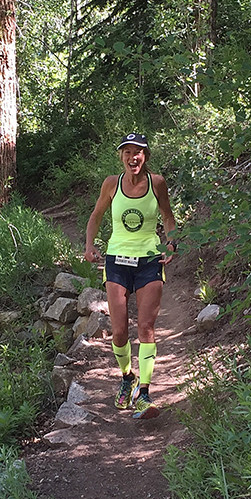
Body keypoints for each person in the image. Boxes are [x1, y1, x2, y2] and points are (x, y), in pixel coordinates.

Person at [84, 132, 177, 419]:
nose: (132, 157)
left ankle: (145, 393)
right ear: (121, 156)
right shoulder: (111, 184)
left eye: (138, 152)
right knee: (120, 331)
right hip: (117, 261)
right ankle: (127, 377)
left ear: (145, 156)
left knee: (146, 327)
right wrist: (89, 245)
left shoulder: (157, 183)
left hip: (149, 260)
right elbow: (96, 215)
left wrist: (171, 243)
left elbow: (168, 216)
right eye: (127, 152)